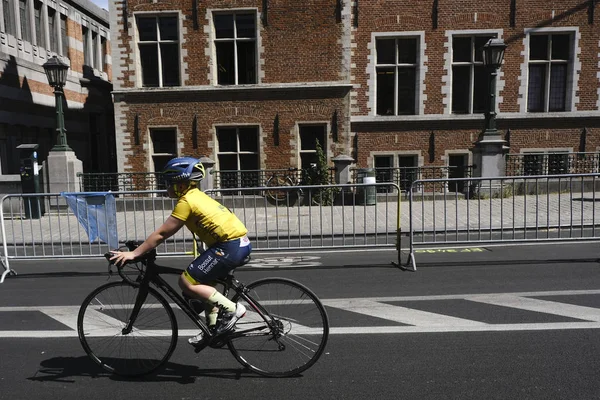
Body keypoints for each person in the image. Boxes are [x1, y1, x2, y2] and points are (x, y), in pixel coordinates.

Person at [110, 156, 251, 345]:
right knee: (202, 287)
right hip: (237, 244)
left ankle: (233, 309)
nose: (166, 187)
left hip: (228, 247)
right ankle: (213, 330)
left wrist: (135, 253)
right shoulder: (198, 196)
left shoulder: (187, 202)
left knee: (186, 282)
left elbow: (162, 233)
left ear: (181, 184)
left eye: (169, 183)